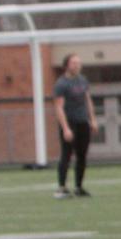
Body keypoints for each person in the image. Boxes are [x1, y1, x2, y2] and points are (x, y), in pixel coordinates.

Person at [52, 53, 98, 198]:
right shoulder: (61, 84)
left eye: (79, 63)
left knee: (82, 156)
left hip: (82, 121)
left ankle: (79, 187)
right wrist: (65, 128)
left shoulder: (83, 80)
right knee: (66, 155)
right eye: (74, 63)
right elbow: (58, 107)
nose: (77, 66)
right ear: (67, 65)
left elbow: (88, 100)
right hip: (70, 122)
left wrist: (93, 119)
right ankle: (62, 187)